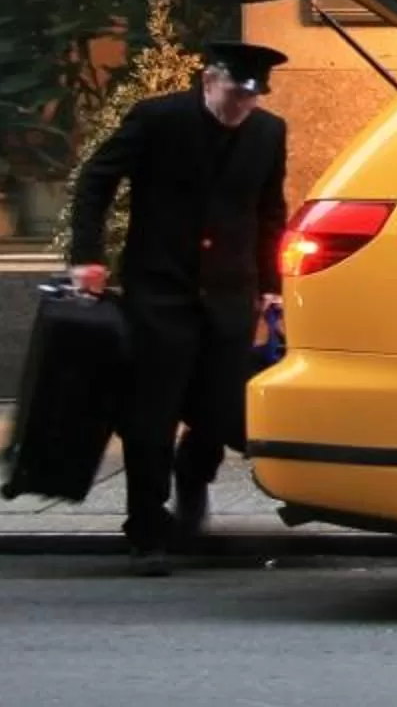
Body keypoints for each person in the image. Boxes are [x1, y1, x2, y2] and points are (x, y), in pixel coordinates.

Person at [69, 39, 291, 575]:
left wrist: (271, 282)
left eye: (253, 98)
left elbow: (269, 209)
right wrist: (87, 257)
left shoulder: (268, 132)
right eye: (236, 95)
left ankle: (194, 481)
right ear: (209, 79)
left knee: (218, 409)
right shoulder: (158, 119)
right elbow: (96, 181)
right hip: (160, 290)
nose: (243, 107)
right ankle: (146, 528)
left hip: (230, 294)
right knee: (151, 416)